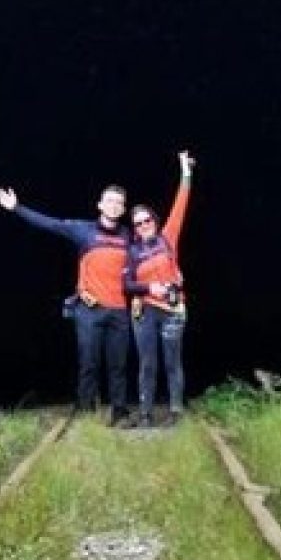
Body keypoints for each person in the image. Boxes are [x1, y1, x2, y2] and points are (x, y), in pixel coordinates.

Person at [0, 183, 132, 423]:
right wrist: (17, 207)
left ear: (123, 209)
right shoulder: (83, 230)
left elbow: (152, 256)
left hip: (120, 310)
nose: (113, 206)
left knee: (118, 365)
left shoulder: (129, 236)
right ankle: (85, 413)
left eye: (118, 203)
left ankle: (119, 411)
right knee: (88, 363)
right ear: (100, 205)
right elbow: (50, 224)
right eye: (109, 201)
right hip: (90, 309)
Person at [124, 151, 195, 427]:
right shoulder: (131, 252)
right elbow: (127, 285)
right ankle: (145, 414)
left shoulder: (168, 238)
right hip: (144, 312)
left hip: (172, 310)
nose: (143, 225)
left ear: (154, 220)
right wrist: (149, 287)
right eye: (138, 223)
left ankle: (176, 412)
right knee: (147, 364)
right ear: (134, 228)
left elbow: (181, 203)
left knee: (172, 362)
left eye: (147, 220)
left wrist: (185, 172)